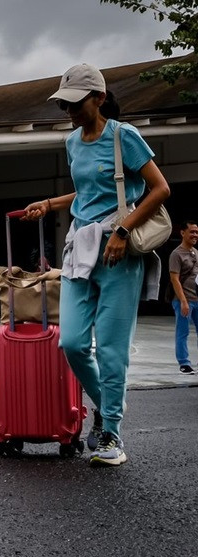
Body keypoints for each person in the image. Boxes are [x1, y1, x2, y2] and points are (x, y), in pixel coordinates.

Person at [24, 64, 170, 468]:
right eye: (64, 105)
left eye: (76, 104)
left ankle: (112, 435)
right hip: (81, 248)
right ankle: (107, 408)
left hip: (119, 252)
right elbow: (87, 191)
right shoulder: (73, 142)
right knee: (71, 342)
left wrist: (123, 230)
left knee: (110, 348)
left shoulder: (124, 136)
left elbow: (160, 188)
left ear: (99, 98)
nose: (69, 111)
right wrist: (49, 204)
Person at [168, 220, 198, 374]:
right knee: (183, 332)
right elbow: (175, 279)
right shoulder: (176, 254)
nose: (195, 235)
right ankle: (184, 363)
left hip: (196, 298)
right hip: (183, 300)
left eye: (197, 232)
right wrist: (183, 301)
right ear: (182, 233)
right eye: (192, 232)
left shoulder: (196, 252)